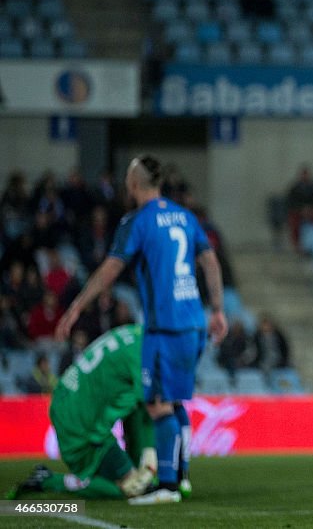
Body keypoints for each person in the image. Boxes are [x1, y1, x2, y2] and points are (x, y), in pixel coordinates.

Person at [57, 155, 227, 505]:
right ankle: (179, 478)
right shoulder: (185, 216)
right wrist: (219, 309)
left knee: (157, 405)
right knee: (175, 402)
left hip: (164, 327)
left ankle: (165, 487)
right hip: (194, 323)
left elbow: (110, 270)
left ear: (133, 184)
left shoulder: (137, 221)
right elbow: (210, 260)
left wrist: (77, 306)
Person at [7, 325, 157, 501]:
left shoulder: (133, 333)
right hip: (81, 420)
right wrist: (149, 452)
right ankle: (49, 480)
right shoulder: (142, 353)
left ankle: (137, 471)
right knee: (129, 489)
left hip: (71, 403)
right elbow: (149, 405)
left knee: (135, 482)